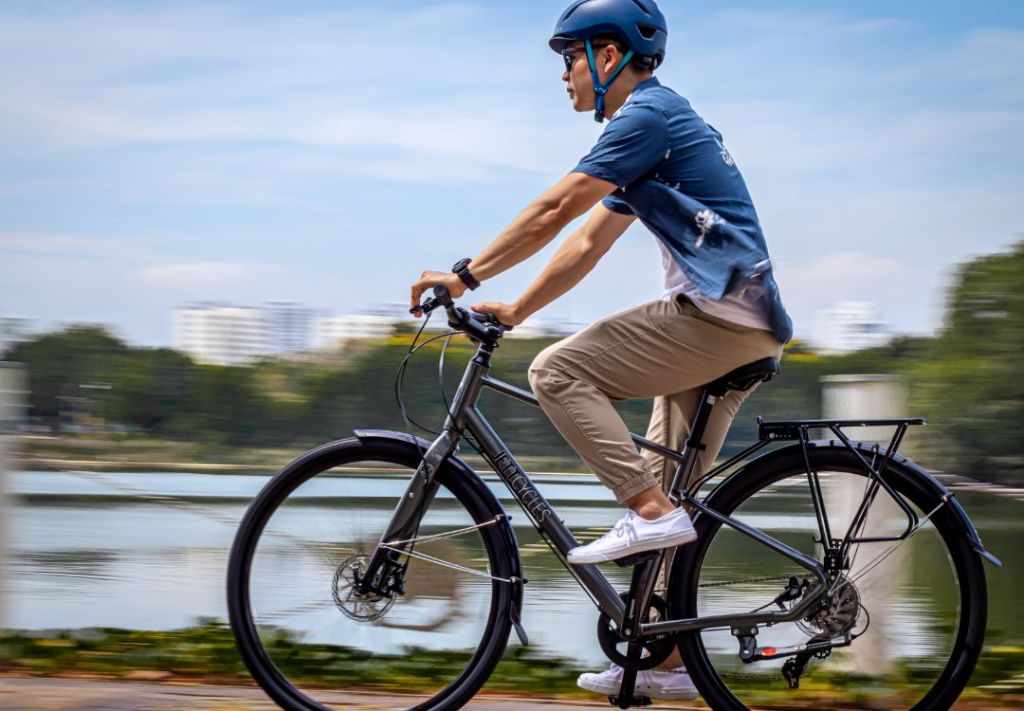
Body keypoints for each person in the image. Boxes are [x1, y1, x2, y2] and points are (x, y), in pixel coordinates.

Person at [409, 0, 792, 700]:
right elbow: (585, 239)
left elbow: (557, 208)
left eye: (568, 58)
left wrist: (464, 275)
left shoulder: (646, 118)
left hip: (720, 319)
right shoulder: (656, 130)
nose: (563, 76)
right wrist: (518, 307)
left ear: (606, 57)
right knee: (671, 500)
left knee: (559, 370)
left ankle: (646, 511)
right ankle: (666, 659)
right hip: (742, 323)